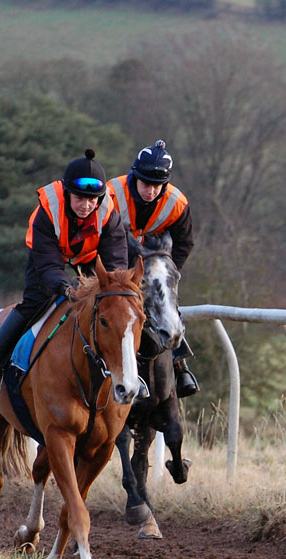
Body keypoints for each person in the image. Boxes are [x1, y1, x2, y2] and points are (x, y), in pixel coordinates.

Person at [0, 149, 129, 393]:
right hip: (48, 257)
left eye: (92, 200)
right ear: (67, 194)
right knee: (35, 301)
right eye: (79, 198)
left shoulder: (110, 215)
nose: (86, 205)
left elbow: (116, 262)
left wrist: (113, 289)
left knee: (122, 308)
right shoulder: (47, 212)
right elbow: (48, 266)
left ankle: (136, 373)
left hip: (90, 258)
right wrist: (66, 287)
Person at [107, 139, 199, 398]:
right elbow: (99, 236)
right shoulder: (111, 194)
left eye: (157, 186)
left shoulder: (177, 202)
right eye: (146, 184)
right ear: (134, 176)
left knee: (164, 301)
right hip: (109, 262)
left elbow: (185, 242)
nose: (151, 191)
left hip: (149, 264)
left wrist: (168, 275)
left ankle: (180, 365)